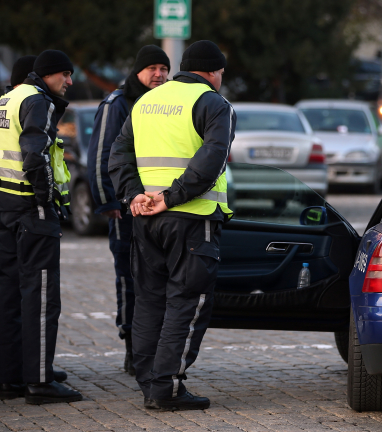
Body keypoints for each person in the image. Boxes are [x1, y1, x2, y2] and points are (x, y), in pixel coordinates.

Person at [109, 40, 234, 411]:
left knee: (148, 300)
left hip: (146, 219)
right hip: (192, 218)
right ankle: (167, 388)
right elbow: (212, 159)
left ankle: (150, 382)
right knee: (187, 302)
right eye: (221, 74)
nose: (221, 80)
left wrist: (133, 195)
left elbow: (119, 153)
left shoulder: (146, 101)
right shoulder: (213, 103)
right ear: (212, 72)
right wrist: (173, 196)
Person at [0, 49, 82, 405]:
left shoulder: (2, 103)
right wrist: (43, 199)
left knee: (10, 293)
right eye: (65, 75)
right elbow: (34, 155)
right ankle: (39, 381)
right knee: (39, 297)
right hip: (30, 211)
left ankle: (10, 378)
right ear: (49, 74)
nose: (69, 82)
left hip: (3, 207)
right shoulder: (38, 101)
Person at [87, 45, 170, 376]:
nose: (158, 74)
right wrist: (108, 202)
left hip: (158, 209)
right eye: (151, 68)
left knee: (156, 278)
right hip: (125, 210)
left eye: (163, 68)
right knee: (129, 277)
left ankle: (153, 349)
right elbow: (101, 156)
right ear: (137, 71)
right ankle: (132, 347)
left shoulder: (166, 105)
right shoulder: (118, 104)